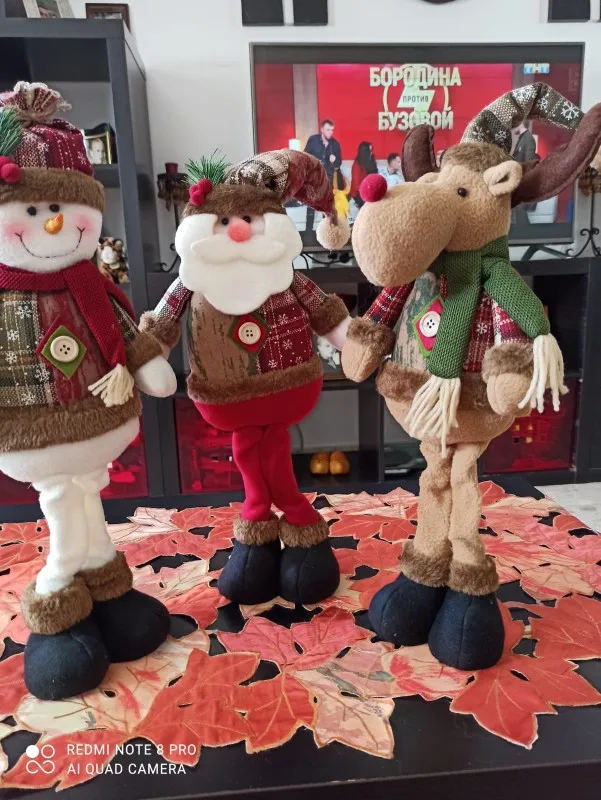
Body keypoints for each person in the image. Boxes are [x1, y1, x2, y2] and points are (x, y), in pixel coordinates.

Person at [304, 119, 342, 233]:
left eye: (332, 130)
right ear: (322, 130)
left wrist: (334, 161)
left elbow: (339, 163)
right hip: (313, 176)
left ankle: (325, 230)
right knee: (311, 203)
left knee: (325, 204)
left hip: (327, 178)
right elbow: (304, 155)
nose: (330, 132)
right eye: (328, 130)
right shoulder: (313, 140)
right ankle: (308, 231)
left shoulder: (335, 144)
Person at [350, 141, 378, 209]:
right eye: (369, 151)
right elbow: (357, 186)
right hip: (358, 193)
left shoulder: (370, 161)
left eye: (371, 150)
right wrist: (368, 192)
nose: (371, 153)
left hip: (369, 190)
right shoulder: (357, 165)